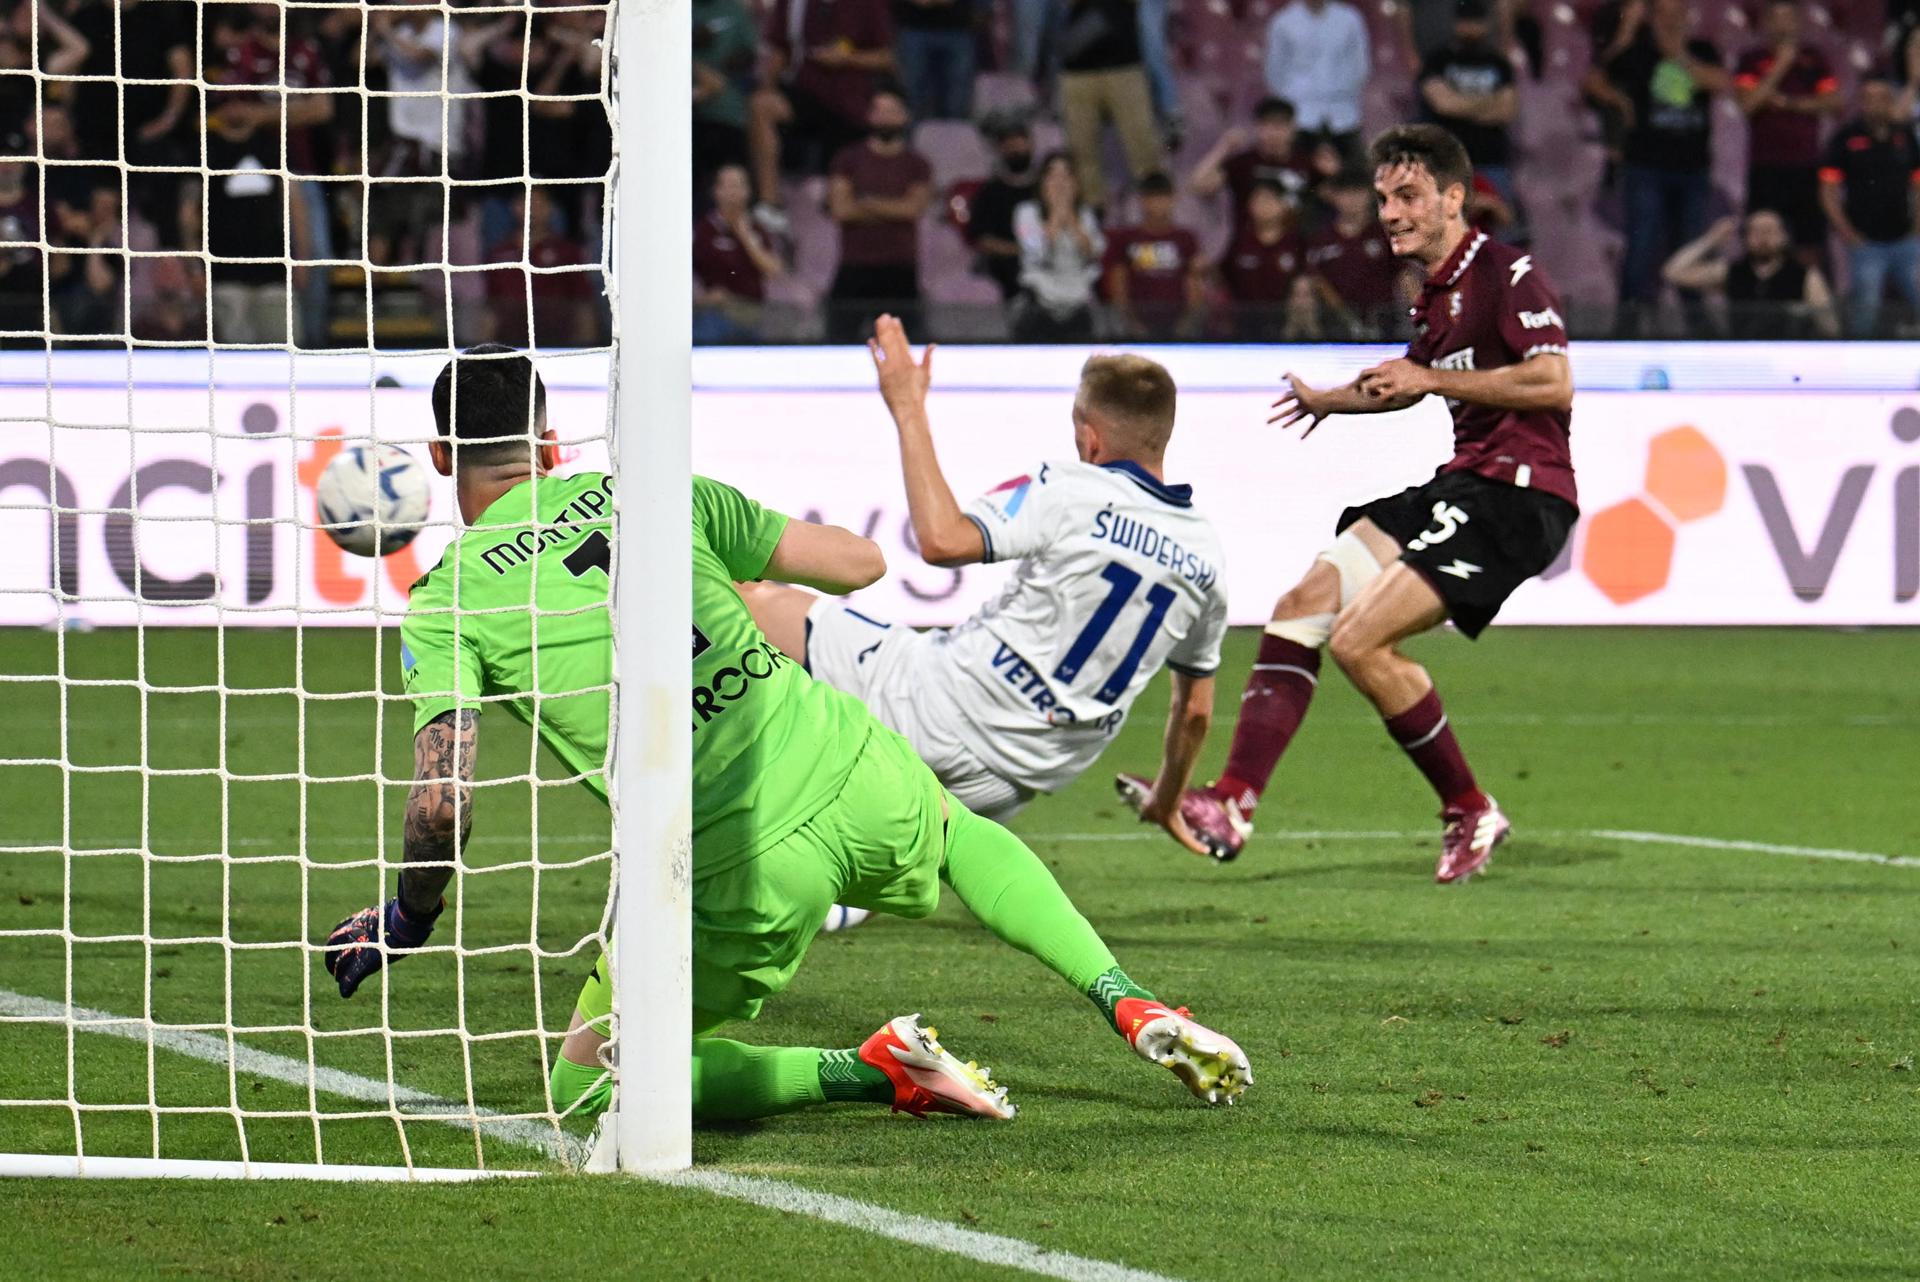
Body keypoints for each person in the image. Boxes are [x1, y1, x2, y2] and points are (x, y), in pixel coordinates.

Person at [320, 345, 1253, 1125]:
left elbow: (442, 808)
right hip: (848, 760)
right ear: (552, 441)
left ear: (440, 456)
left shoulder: (446, 603)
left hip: (737, 861)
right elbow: (863, 561)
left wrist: (409, 919)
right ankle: (1125, 998)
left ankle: (873, 1071)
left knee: (588, 1085)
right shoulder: (658, 497)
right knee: (960, 835)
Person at [1138, 125, 1577, 883]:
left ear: (1453, 198)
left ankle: (1470, 807)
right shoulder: (1434, 293)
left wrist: (1431, 379)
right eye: (1382, 199)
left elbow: (1552, 381)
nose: (1391, 213)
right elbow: (1409, 380)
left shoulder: (1509, 273)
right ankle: (1233, 799)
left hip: (1519, 494)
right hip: (1463, 483)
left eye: (1408, 196)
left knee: (1359, 641)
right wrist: (1332, 401)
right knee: (1301, 604)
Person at [743, 317, 1227, 848]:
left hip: (929, 703)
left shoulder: (1069, 489)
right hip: (1003, 788)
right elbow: (1195, 713)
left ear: (1089, 436)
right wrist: (1166, 800)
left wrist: (907, 403)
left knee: (745, 601)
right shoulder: (1206, 557)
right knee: (865, 864)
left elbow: (942, 541)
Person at [1586, 0, 1727, 333]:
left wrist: (1678, 55)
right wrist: (1619, 100)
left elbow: (1719, 83)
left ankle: (1697, 324)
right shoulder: (1639, 52)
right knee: (1642, 245)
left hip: (1692, 168)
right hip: (1646, 166)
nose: (1670, 21)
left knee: (1690, 246)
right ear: (1653, 19)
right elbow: (1594, 79)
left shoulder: (1702, 50)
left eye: (1676, 14)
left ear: (1686, 16)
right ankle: (1628, 323)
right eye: (1663, 14)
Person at [750, 0, 895, 233]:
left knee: (837, 206)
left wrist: (847, 58)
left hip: (851, 104)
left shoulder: (869, 4)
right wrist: (767, 85)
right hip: (806, 91)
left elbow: (886, 57)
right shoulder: (792, 3)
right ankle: (770, 204)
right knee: (761, 105)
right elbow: (779, 48)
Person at [1733, 0, 1840, 265]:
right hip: (1766, 165)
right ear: (1767, 22)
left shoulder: (1814, 58)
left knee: (1809, 244)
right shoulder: (1751, 59)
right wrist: (1781, 64)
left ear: (1798, 22)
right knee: (1761, 242)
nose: (1783, 24)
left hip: (1806, 165)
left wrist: (1788, 103)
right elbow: (1748, 104)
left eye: (1788, 18)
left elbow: (1833, 102)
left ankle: (1810, 291)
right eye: (1777, 18)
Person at [826, 88, 933, 343]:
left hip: (899, 268)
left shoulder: (917, 164)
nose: (885, 117)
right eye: (879, 110)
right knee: (838, 343)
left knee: (903, 347)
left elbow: (913, 209)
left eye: (892, 111)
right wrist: (893, 208)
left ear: (905, 116)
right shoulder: (848, 159)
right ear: (869, 115)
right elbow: (841, 209)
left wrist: (866, 202)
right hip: (854, 266)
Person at [1819, 74, 1920, 337]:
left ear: (1890, 101)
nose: (1875, 104)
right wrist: (1848, 233)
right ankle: (1858, 356)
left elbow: (1918, 182)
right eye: (1869, 98)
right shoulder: (1846, 138)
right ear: (1861, 102)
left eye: (1882, 98)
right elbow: (1828, 191)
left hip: (1906, 238)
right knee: (1866, 310)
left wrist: (1918, 226)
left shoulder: (1904, 136)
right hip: (1866, 242)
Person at [1661, 209, 1838, 338]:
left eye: (1769, 231)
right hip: (1743, 355)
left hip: (1788, 356)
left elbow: (1830, 326)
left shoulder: (1805, 276)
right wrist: (1710, 240)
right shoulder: (1732, 272)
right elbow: (1672, 272)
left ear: (1784, 236)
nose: (1762, 238)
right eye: (1755, 231)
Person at [1057, 0, 1161, 212]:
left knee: (1143, 146)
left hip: (1125, 68)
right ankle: (1093, 214)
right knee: (1081, 151)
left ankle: (1155, 213)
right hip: (1078, 71)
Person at [1418, 0, 1518, 213]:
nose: (1471, 28)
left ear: (1486, 24)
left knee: (1498, 221)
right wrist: (1489, 103)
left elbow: (1507, 111)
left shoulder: (1498, 63)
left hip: (1491, 160)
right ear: (1456, 24)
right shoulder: (1438, 59)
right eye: (1466, 22)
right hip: (1447, 162)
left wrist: (1459, 103)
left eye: (1476, 22)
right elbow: (1443, 104)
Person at [1187, 97, 1326, 241]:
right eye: (1267, 126)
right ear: (1257, 127)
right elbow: (1198, 185)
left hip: (1296, 245)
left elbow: (1334, 198)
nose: (1274, 133)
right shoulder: (1243, 162)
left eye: (1280, 126)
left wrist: (1330, 172)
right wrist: (1223, 148)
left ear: (1293, 128)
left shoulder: (1305, 162)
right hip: (1247, 246)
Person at [1262, 0, 1371, 168]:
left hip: (1343, 113)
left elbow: (1360, 64)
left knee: (1354, 171)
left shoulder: (1349, 19)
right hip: (1300, 115)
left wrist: (1342, 92)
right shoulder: (1284, 21)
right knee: (1299, 172)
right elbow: (1274, 69)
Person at [1013, 152, 1106, 341]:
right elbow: (1036, 252)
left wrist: (1071, 218)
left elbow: (1093, 253)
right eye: (1053, 176)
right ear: (1042, 182)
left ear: (1076, 183)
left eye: (1066, 176)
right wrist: (1055, 215)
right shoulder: (1026, 212)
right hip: (1039, 303)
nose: (1060, 183)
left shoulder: (1085, 214)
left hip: (1078, 302)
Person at [1102, 172, 1206, 339]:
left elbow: (1194, 284)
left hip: (1178, 329)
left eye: (1163, 198)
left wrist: (1184, 328)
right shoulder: (1125, 238)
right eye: (1153, 199)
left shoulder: (1185, 239)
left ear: (1173, 200)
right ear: (1142, 201)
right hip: (1135, 329)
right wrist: (1133, 326)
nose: (1158, 205)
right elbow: (1118, 284)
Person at [694, 164, 790, 344]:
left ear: (748, 191)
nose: (734, 192)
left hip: (751, 313)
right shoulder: (703, 230)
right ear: (716, 191)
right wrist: (702, 297)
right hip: (714, 312)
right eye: (728, 185)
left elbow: (774, 270)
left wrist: (745, 236)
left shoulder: (758, 229)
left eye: (739, 185)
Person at [1307, 170, 1405, 338]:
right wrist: (1345, 317)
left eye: (1358, 192)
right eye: (1346, 193)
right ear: (1334, 197)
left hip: (1384, 326)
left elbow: (1403, 274)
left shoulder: (1385, 234)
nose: (1352, 200)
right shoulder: (1321, 239)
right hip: (1333, 329)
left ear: (1370, 195)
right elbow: (1315, 279)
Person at [1218, 178, 1318, 341]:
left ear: (1284, 205)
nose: (1265, 206)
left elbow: (1306, 282)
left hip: (1287, 329)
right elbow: (1224, 280)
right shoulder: (1238, 242)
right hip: (1243, 327)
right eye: (1259, 200)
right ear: (1249, 205)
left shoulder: (1296, 242)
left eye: (1270, 199)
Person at [965, 116, 1042, 300]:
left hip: (1044, 261)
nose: (1015, 148)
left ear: (1031, 144)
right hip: (1003, 267)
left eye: (1019, 142)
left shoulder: (1044, 189)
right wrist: (1017, 251)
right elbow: (982, 238)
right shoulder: (990, 191)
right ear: (1000, 149)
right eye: (1009, 143)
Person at [894, 0, 976, 122]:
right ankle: (915, 133)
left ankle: (956, 133)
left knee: (957, 99)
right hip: (913, 27)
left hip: (957, 28)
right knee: (913, 96)